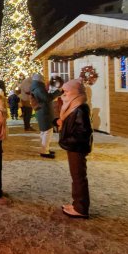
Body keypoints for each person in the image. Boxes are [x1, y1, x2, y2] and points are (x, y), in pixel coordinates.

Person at [57, 79, 93, 218]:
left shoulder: (80, 108)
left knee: (79, 177)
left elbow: (83, 132)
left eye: (66, 91)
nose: (64, 94)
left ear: (74, 92)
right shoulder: (73, 105)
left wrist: (67, 140)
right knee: (76, 176)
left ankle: (81, 208)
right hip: (74, 146)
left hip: (77, 147)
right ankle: (77, 203)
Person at [31, 73, 62, 158]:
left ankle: (45, 148)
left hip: (43, 112)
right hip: (44, 112)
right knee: (47, 132)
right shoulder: (39, 88)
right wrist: (58, 92)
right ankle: (44, 151)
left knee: (44, 132)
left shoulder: (36, 87)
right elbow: (47, 98)